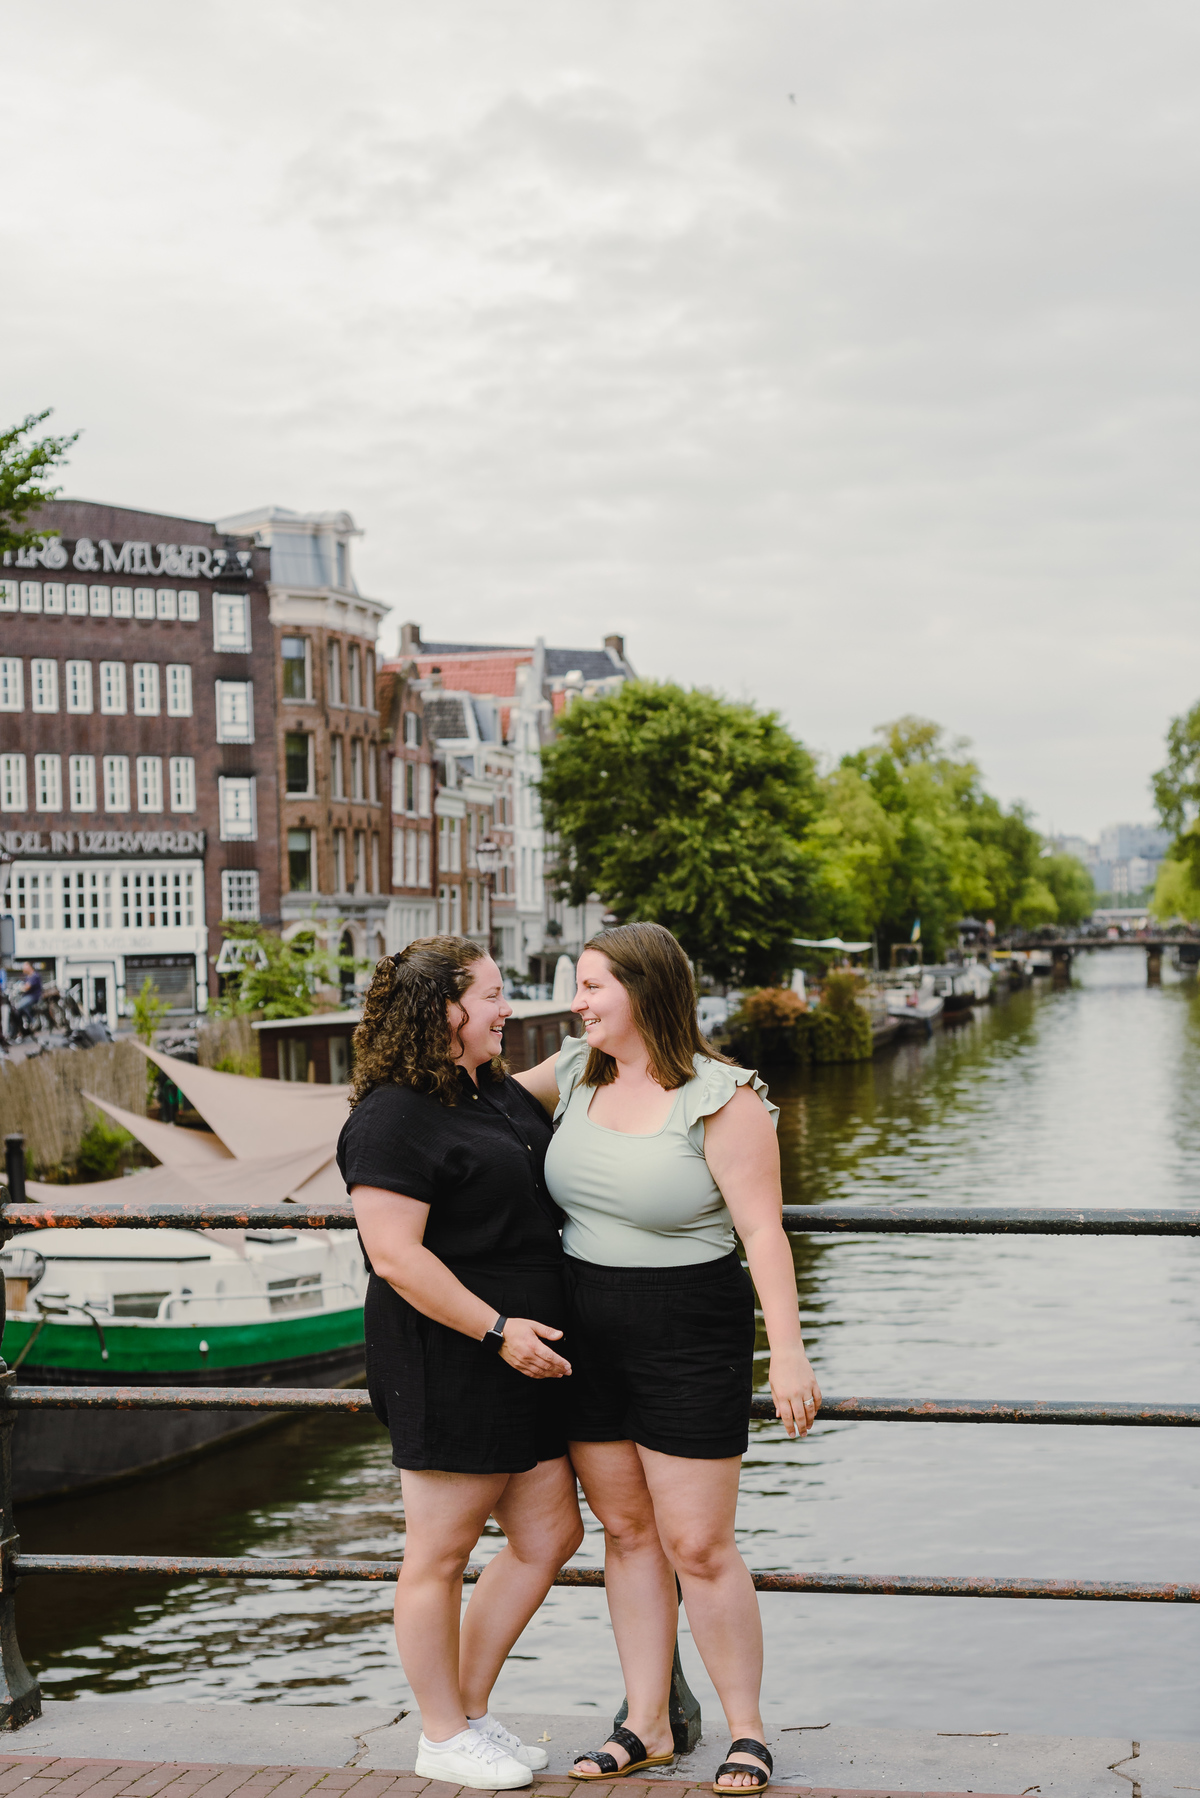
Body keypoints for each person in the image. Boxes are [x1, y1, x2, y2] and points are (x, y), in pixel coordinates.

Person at [516, 922, 821, 1794]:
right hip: (585, 1327)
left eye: (591, 987)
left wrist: (788, 1357)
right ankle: (645, 1724)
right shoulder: (575, 1071)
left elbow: (763, 1232)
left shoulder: (723, 1097)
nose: (576, 1003)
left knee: (699, 1542)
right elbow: (478, 1105)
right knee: (628, 1533)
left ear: (645, 993)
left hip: (689, 1328)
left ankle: (748, 1732)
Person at [338, 937, 584, 1791]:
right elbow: (397, 1257)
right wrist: (498, 1329)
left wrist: (633, 1016)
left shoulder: (485, 1088)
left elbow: (564, 1071)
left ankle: (469, 1712)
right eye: (491, 994)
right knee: (437, 1556)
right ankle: (440, 1734)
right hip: (454, 1351)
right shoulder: (392, 1116)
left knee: (551, 1535)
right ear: (444, 1011)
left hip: (520, 1353)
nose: (506, 1007)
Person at [10, 963, 42, 1036]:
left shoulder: (34, 976)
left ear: (29, 967)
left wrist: (20, 988)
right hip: (27, 996)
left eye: (24, 967)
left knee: (19, 1006)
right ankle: (21, 1029)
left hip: (33, 997)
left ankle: (33, 1021)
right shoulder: (28, 976)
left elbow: (27, 987)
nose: (23, 969)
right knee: (18, 1011)